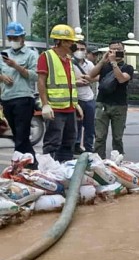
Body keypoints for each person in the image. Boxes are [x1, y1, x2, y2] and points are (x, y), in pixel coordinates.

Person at [37, 24, 82, 162]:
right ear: (62, 42)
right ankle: (49, 168)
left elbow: (70, 84)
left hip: (69, 108)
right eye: (71, 41)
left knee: (69, 142)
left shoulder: (68, 59)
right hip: (55, 109)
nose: (74, 44)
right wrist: (45, 104)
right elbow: (41, 81)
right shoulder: (46, 57)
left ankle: (64, 167)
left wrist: (76, 105)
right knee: (53, 142)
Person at [89, 39, 134, 158]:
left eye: (118, 50)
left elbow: (121, 79)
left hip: (119, 105)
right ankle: (98, 160)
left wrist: (114, 63)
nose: (115, 52)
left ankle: (118, 160)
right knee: (99, 136)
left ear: (124, 52)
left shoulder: (128, 68)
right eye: (112, 50)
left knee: (117, 137)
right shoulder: (104, 66)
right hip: (102, 103)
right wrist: (102, 61)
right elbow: (91, 75)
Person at [0, 22, 39, 158]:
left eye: (15, 38)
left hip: (23, 99)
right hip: (7, 98)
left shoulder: (31, 54)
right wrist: (2, 77)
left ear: (22, 37)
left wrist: (16, 66)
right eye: (10, 38)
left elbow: (35, 76)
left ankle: (19, 161)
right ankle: (30, 161)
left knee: (22, 134)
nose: (13, 41)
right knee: (17, 135)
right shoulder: (4, 55)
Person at [72, 38, 97, 154]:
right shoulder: (69, 63)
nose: (80, 51)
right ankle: (75, 146)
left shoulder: (89, 64)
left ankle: (89, 148)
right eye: (77, 49)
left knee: (90, 126)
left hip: (89, 98)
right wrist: (76, 82)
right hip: (76, 98)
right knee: (76, 125)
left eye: (82, 49)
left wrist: (89, 79)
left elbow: (97, 76)